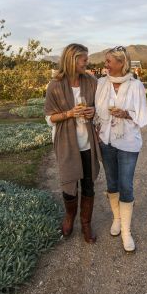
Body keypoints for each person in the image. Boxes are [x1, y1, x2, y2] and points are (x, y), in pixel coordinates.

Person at [44, 44, 101, 243]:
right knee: (70, 184)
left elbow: (100, 109)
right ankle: (69, 217)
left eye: (87, 59)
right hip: (67, 144)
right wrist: (69, 113)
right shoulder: (55, 85)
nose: (87, 62)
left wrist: (93, 111)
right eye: (84, 59)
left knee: (88, 185)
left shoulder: (92, 81)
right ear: (72, 60)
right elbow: (49, 118)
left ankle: (86, 223)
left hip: (87, 143)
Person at [94, 46, 147, 252]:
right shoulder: (101, 83)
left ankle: (126, 231)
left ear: (120, 63)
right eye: (105, 61)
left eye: (108, 61)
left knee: (126, 185)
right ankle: (116, 219)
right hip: (106, 140)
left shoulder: (136, 86)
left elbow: (141, 115)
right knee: (112, 183)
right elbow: (96, 109)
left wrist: (125, 114)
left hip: (127, 142)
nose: (105, 65)